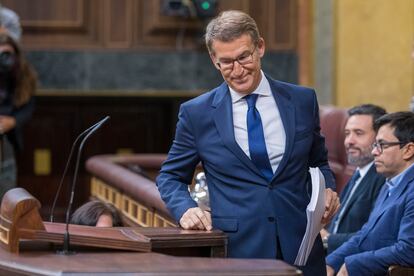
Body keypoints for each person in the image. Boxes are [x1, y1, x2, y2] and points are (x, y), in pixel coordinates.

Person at [156, 10, 339, 275]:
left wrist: (328, 189)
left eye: (244, 57)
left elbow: (318, 163)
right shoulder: (197, 113)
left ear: (260, 47)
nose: (238, 70)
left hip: (302, 247)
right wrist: (185, 209)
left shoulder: (302, 100)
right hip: (237, 252)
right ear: (214, 60)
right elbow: (170, 176)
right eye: (227, 62)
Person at [326, 111, 414, 275]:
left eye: (382, 145)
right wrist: (332, 262)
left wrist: (352, 265)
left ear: (408, 150)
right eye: (375, 145)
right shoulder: (389, 183)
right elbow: (365, 236)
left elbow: (409, 250)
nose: (375, 152)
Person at [321, 104, 386, 254]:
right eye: (347, 133)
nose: (349, 141)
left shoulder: (383, 177)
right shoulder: (358, 172)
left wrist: (327, 239)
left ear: (379, 138)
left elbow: (375, 236)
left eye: (358, 133)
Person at [0, 33, 36, 200]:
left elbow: (28, 106)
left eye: (6, 54)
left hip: (8, 144)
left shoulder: (22, 76)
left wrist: (12, 121)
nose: (3, 59)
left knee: (7, 195)